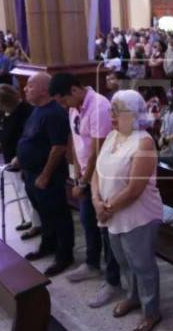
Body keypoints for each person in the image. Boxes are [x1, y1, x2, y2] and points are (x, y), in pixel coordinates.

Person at [92, 90, 164, 331]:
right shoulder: (113, 136)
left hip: (138, 216)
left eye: (117, 110)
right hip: (112, 214)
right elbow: (97, 172)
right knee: (123, 260)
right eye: (111, 110)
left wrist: (105, 208)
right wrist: (96, 201)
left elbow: (135, 189)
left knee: (142, 265)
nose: (111, 115)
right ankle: (133, 297)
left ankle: (151, 311)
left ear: (133, 114)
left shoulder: (143, 141)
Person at [50, 73, 121, 307]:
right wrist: (77, 173)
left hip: (102, 177)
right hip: (85, 174)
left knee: (105, 229)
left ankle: (113, 281)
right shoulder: (75, 107)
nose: (63, 106)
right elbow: (78, 139)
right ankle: (92, 264)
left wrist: (84, 182)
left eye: (63, 101)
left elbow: (98, 150)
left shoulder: (99, 106)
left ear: (74, 90)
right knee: (88, 221)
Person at [17, 72, 75, 276]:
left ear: (43, 90)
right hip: (32, 173)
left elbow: (58, 147)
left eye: (30, 86)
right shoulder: (37, 111)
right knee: (44, 213)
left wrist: (45, 175)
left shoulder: (54, 113)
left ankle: (64, 255)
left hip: (47, 177)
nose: (25, 88)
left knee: (58, 215)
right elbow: (31, 138)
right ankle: (48, 245)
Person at [0, 84, 36, 233]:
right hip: (10, 159)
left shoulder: (25, 112)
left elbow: (27, 138)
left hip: (22, 159)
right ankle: (29, 219)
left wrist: (21, 158)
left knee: (28, 194)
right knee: (20, 192)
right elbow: (5, 136)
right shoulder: (6, 113)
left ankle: (37, 224)